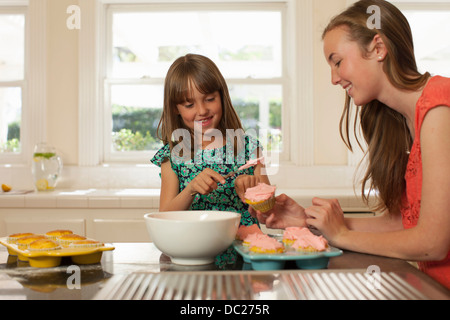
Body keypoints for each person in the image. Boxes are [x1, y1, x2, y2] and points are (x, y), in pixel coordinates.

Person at [251, 0, 450, 289]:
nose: (333, 78)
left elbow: (433, 243)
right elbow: (403, 223)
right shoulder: (406, 120)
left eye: (337, 61)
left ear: (378, 48)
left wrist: (342, 236)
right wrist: (309, 222)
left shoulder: (439, 109)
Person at [151, 53, 270, 267]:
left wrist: (253, 190)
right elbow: (165, 217)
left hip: (244, 257)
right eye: (189, 104)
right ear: (175, 108)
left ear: (221, 96)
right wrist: (191, 190)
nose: (202, 110)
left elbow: (269, 211)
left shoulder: (249, 148)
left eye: (209, 99)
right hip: (190, 256)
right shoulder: (172, 155)